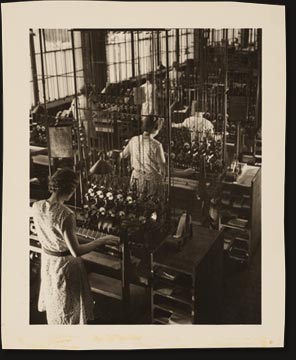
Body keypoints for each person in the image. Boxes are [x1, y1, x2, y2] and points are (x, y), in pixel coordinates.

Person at [32, 168, 118, 324]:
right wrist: (102, 240)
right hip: (65, 265)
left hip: (48, 262)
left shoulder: (36, 206)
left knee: (55, 300)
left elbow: (53, 232)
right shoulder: (66, 214)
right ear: (70, 189)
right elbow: (76, 251)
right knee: (69, 305)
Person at [114, 115, 166, 196]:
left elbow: (122, 155)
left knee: (136, 203)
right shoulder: (157, 145)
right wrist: (185, 173)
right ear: (155, 129)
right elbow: (164, 170)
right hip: (151, 181)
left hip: (136, 178)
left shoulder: (134, 140)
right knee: (152, 204)